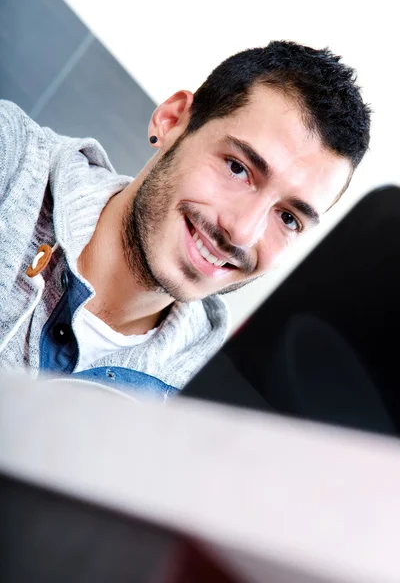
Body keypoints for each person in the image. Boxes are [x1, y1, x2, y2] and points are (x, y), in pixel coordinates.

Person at [0, 40, 371, 398]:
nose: (241, 232)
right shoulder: (11, 160)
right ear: (172, 119)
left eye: (288, 218)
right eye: (238, 168)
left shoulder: (202, 406)